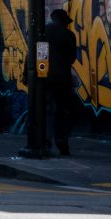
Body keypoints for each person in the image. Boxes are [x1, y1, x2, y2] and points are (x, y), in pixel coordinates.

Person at [45, 8, 77, 155]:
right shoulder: (69, 35)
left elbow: (36, 53)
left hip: (45, 78)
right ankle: (62, 144)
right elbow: (72, 58)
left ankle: (46, 143)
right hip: (63, 78)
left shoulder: (44, 32)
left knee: (47, 111)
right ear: (64, 21)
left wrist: (30, 74)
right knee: (62, 112)